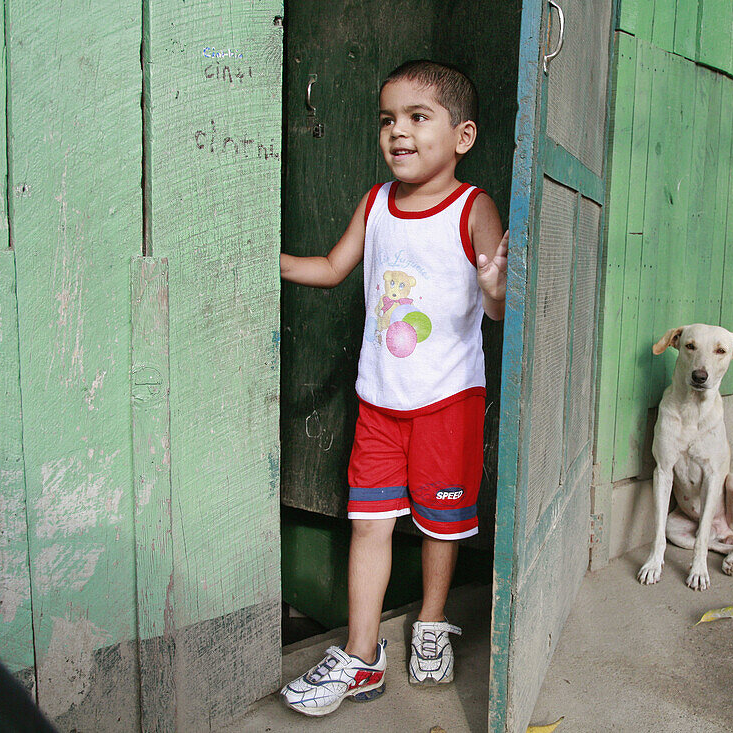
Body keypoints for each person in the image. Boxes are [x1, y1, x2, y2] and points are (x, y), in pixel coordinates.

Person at [278, 60, 508, 717]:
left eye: (416, 118)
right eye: (387, 120)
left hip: (446, 403)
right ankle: (361, 655)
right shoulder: (376, 202)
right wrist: (264, 259)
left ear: (461, 136)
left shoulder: (474, 206)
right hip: (379, 400)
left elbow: (496, 309)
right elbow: (330, 266)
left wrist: (495, 287)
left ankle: (431, 619)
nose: (397, 132)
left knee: (441, 522)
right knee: (369, 523)